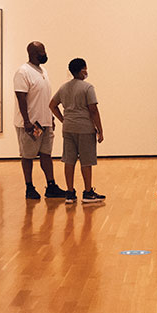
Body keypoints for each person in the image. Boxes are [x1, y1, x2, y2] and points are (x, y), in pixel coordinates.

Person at [14, 41, 67, 201]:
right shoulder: (23, 72)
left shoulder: (43, 70)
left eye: (44, 51)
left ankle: (51, 186)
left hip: (44, 122)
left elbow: (44, 97)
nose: (44, 55)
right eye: (41, 52)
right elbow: (21, 97)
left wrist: (50, 117)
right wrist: (27, 121)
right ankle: (29, 187)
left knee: (46, 154)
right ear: (32, 54)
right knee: (28, 155)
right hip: (30, 125)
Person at [49, 58, 106, 205]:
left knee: (69, 160)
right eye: (85, 69)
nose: (87, 71)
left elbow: (52, 105)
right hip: (85, 129)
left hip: (68, 128)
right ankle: (88, 192)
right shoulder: (88, 88)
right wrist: (100, 129)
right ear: (82, 70)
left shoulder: (63, 88)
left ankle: (70, 193)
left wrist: (63, 120)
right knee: (86, 161)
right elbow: (93, 110)